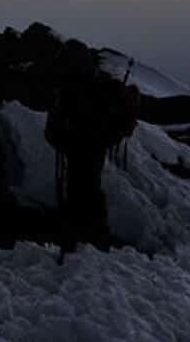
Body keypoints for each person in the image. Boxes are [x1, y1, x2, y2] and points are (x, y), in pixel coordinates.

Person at [44, 39, 137, 253]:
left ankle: (84, 239)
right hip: (89, 145)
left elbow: (72, 118)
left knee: (82, 189)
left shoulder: (80, 88)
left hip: (84, 146)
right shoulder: (91, 85)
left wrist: (65, 136)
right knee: (86, 189)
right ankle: (90, 238)